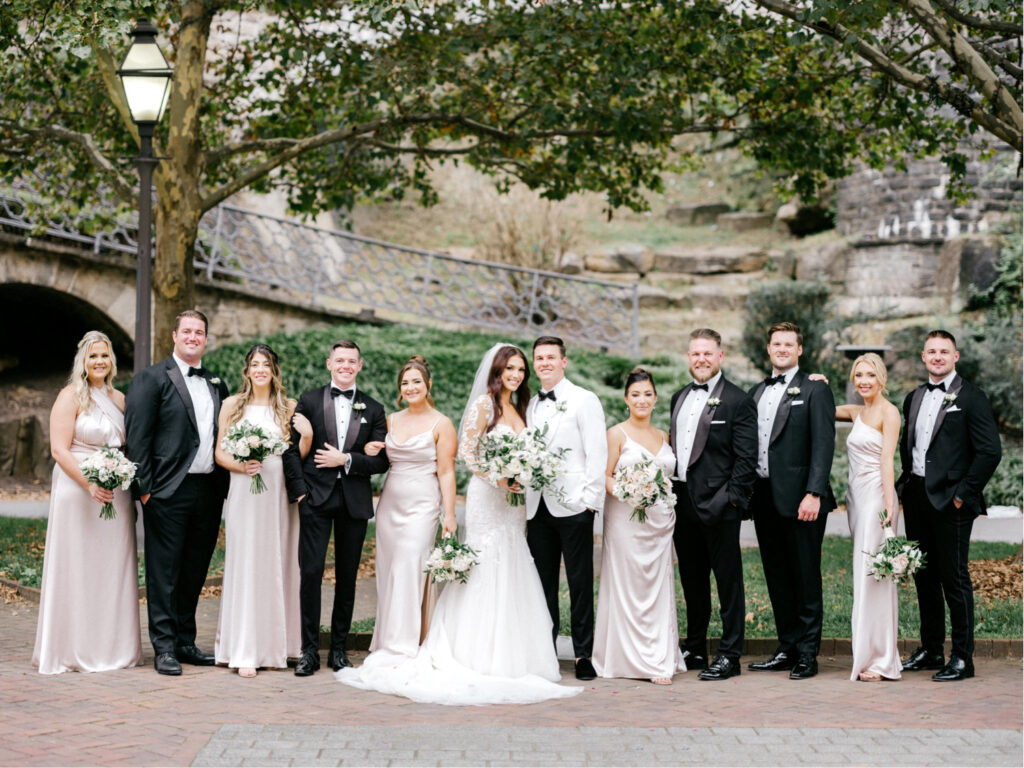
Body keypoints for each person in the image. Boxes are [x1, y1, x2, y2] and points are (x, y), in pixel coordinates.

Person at [336, 344, 581, 705]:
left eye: (519, 370)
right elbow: (467, 453)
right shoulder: (485, 405)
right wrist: (499, 478)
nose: (514, 375)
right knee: (485, 564)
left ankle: (512, 654)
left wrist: (521, 473)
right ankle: (469, 650)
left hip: (512, 504)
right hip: (488, 497)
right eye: (507, 369)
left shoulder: (523, 408)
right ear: (495, 373)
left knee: (512, 564)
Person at [32, 331, 143, 674]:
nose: (99, 362)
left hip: (115, 492)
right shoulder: (70, 396)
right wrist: (90, 483)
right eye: (93, 356)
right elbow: (58, 449)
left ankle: (113, 648)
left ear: (112, 361)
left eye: (105, 356)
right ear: (83, 361)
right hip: (78, 490)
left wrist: (118, 476)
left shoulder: (121, 399)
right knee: (78, 566)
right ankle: (73, 649)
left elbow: (128, 445)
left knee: (112, 570)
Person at [126, 310, 230, 676]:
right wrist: (146, 492)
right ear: (174, 335)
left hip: (208, 490)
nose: (193, 336)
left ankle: (186, 641)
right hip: (167, 492)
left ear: (205, 339)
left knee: (194, 569)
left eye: (199, 332)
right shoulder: (151, 379)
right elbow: (137, 438)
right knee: (164, 572)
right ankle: (165, 647)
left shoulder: (217, 383)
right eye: (186, 331)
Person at [897, 330, 1001, 682]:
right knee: (923, 576)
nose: (937, 356)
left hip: (953, 502)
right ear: (923, 357)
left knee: (954, 578)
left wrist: (963, 494)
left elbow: (990, 451)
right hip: (916, 497)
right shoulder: (913, 397)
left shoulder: (972, 397)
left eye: (944, 351)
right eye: (931, 351)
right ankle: (930, 649)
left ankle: (962, 657)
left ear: (956, 357)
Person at [282, 339, 389, 676]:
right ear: (329, 364)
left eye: (351, 361)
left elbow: (382, 461)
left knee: (347, 577)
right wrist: (299, 493)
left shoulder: (373, 408)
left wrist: (347, 459)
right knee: (310, 574)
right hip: (314, 499)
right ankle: (309, 651)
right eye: (339, 360)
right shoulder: (309, 401)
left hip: (353, 503)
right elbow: (289, 450)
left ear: (359, 365)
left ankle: (339, 650)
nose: (345, 366)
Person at [213, 344, 312, 677]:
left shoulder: (288, 407)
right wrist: (242, 467)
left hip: (278, 494)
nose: (260, 370)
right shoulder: (231, 406)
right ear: (247, 370)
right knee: (247, 562)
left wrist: (307, 438)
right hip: (245, 490)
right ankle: (245, 648)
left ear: (274, 370)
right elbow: (219, 455)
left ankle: (281, 646)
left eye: (265, 364)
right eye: (254, 364)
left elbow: (295, 457)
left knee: (278, 561)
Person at [746, 321, 836, 680]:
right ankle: (787, 647)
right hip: (764, 497)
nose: (782, 349)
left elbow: (823, 444)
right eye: (776, 344)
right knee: (777, 576)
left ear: (800, 350)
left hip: (802, 498)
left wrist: (814, 492)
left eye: (789, 344)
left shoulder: (815, 390)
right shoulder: (756, 392)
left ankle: (807, 654)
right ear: (768, 349)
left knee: (805, 575)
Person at [669, 328, 757, 681]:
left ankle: (730, 654)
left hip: (720, 507)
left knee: (728, 581)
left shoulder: (738, 400)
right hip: (682, 503)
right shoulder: (678, 397)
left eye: (708, 353)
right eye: (695, 354)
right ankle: (695, 645)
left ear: (720, 357)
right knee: (692, 579)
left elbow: (746, 460)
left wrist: (730, 500)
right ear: (688, 357)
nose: (701, 359)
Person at [360, 356, 458, 657]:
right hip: (391, 505)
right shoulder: (390, 420)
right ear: (400, 390)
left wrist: (450, 514)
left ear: (428, 385)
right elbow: (376, 458)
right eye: (405, 383)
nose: (411, 387)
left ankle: (404, 645)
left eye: (416, 381)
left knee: (410, 566)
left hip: (423, 505)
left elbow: (446, 471)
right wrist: (370, 448)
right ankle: (390, 639)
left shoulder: (442, 424)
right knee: (390, 570)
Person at [594, 368, 685, 685]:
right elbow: (604, 475)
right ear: (626, 399)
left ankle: (658, 654)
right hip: (624, 521)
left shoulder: (665, 437)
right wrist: (628, 492)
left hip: (660, 523)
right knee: (627, 585)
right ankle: (626, 658)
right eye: (636, 394)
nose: (642, 399)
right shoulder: (616, 434)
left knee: (656, 587)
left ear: (656, 398)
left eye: (648, 394)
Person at [526, 336, 607, 681]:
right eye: (539, 358)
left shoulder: (583, 399)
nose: (544, 362)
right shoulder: (530, 404)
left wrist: (590, 504)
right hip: (537, 506)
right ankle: (545, 650)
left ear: (564, 361)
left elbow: (597, 452)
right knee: (542, 582)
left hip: (574, 505)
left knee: (579, 582)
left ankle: (582, 654)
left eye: (551, 357)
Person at [835, 353, 903, 682]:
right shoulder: (857, 411)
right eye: (858, 375)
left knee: (874, 577)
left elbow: (888, 460)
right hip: (855, 499)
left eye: (870, 375)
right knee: (864, 573)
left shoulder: (889, 413)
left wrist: (890, 504)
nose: (863, 381)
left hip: (876, 497)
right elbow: (825, 408)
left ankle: (879, 659)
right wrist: (814, 383)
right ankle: (869, 652)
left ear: (881, 378)